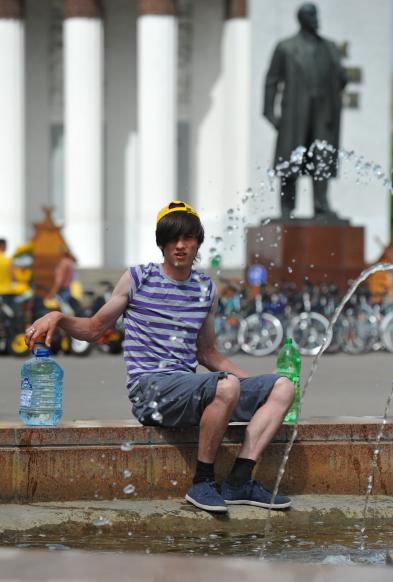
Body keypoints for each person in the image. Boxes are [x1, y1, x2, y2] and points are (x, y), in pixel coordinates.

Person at [26, 200, 295, 514]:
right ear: (162, 243)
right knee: (227, 387)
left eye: (188, 238)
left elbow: (207, 353)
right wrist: (58, 317)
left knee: (283, 387)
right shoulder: (139, 278)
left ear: (198, 243)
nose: (180, 246)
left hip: (190, 389)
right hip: (151, 391)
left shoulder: (205, 289)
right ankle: (203, 482)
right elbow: (94, 328)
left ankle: (238, 481)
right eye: (172, 238)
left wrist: (256, 386)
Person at [263, 2, 347, 220]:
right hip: (295, 114)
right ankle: (286, 209)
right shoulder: (286, 47)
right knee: (291, 161)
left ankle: (322, 205)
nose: (316, 19)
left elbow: (341, 78)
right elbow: (271, 80)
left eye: (316, 15)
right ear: (302, 19)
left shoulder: (329, 48)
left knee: (322, 158)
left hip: (322, 114)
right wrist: (270, 112)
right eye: (311, 16)